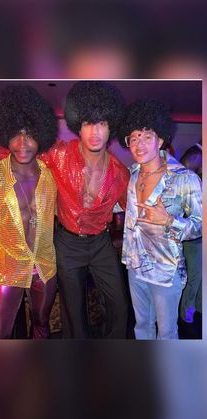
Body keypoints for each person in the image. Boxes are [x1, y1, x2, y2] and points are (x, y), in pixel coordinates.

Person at [0, 81, 129, 339]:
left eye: (101, 123)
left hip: (100, 242)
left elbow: (135, 212)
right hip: (66, 243)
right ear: (77, 126)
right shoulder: (58, 155)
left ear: (110, 127)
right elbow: (17, 147)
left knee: (120, 305)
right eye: (88, 123)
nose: (94, 131)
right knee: (72, 310)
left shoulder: (120, 174)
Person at [0, 84, 58, 339]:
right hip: (6, 270)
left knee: (42, 323)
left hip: (44, 267)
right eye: (15, 135)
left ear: (41, 137)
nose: (22, 143)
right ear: (4, 136)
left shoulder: (51, 175)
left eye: (30, 135)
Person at [118, 99, 202, 340]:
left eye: (146, 136)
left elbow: (200, 224)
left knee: (166, 332)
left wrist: (169, 221)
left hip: (166, 270)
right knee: (142, 326)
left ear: (161, 140)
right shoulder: (132, 174)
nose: (139, 144)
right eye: (133, 138)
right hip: (135, 266)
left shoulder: (185, 178)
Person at [179, 141, 202, 325]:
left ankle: (198, 308)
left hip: (199, 236)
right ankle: (187, 311)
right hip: (192, 237)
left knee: (200, 276)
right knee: (194, 276)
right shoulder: (188, 179)